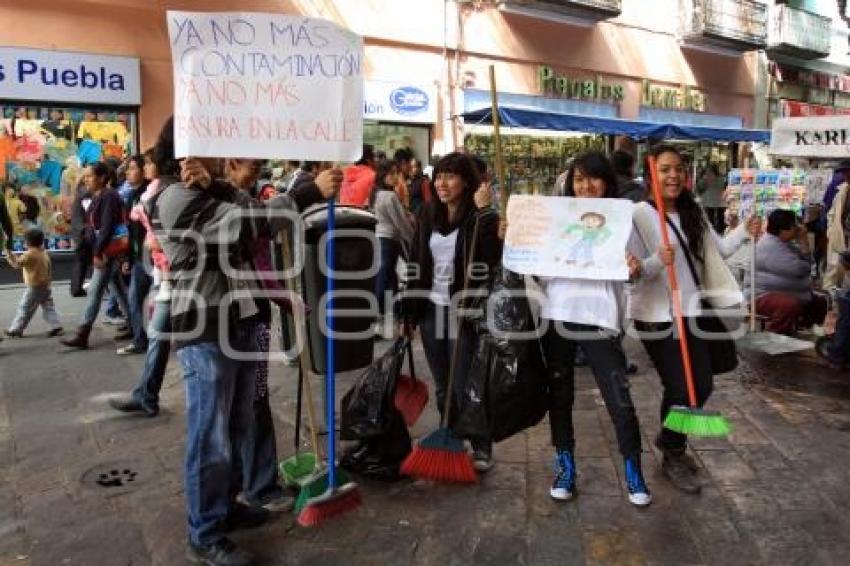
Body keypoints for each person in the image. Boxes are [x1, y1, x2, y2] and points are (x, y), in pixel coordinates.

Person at [156, 153, 341, 565]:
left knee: (239, 422)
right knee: (211, 437)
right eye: (211, 148)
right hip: (205, 324)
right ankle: (204, 533)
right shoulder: (173, 197)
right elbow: (246, 223)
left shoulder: (212, 192)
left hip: (240, 317)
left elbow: (246, 213)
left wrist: (217, 186)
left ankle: (227, 507)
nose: (220, 157)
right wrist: (307, 193)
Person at [629, 144, 758, 495]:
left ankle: (669, 433)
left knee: (702, 385)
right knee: (681, 387)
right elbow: (632, 273)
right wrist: (657, 261)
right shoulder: (638, 214)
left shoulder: (694, 210)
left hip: (693, 310)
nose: (673, 175)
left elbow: (723, 249)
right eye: (665, 169)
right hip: (656, 315)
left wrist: (746, 229)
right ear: (650, 173)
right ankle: (674, 453)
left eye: (678, 169)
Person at [536, 152, 650, 506]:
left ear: (607, 182)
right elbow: (539, 271)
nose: (585, 186)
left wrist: (635, 267)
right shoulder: (556, 220)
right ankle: (565, 467)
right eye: (579, 179)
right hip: (557, 315)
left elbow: (637, 271)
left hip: (600, 319)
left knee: (619, 398)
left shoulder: (624, 220)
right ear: (570, 183)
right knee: (560, 396)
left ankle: (634, 472)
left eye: (593, 178)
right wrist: (521, 239)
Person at [402, 152, 502, 472]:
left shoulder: (478, 217)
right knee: (443, 384)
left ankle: (482, 444)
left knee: (464, 384)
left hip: (463, 311)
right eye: (439, 176)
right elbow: (416, 263)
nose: (442, 183)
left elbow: (491, 259)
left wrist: (487, 212)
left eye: (450, 176)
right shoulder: (428, 213)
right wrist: (409, 311)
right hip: (432, 309)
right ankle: (454, 439)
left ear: (467, 181)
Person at [108, 121, 179, 417]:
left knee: (165, 334)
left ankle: (147, 394)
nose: (144, 167)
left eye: (148, 162)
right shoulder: (156, 190)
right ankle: (147, 394)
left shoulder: (164, 190)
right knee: (160, 333)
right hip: (166, 275)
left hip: (178, 275)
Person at [60, 162, 131, 349]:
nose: (86, 179)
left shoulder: (109, 196)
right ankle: (135, 325)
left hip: (107, 251)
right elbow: (93, 226)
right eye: (85, 176)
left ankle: (83, 333)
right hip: (103, 250)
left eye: (89, 176)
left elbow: (106, 227)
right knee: (118, 290)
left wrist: (98, 253)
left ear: (101, 178)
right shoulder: (97, 196)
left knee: (95, 291)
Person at [751, 209, 828, 336]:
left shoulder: (784, 243)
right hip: (761, 295)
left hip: (785, 291)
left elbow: (807, 264)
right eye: (794, 226)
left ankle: (801, 331)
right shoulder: (769, 247)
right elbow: (802, 269)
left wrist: (803, 243)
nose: (798, 229)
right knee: (788, 305)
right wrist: (803, 241)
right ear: (783, 230)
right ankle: (773, 336)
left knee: (819, 302)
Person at [371, 159, 415, 338]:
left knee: (390, 280)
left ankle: (394, 319)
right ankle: (381, 318)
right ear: (383, 175)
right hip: (390, 240)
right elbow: (401, 223)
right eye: (392, 173)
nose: (396, 176)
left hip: (380, 238)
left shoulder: (375, 193)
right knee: (386, 280)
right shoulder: (389, 196)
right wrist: (413, 238)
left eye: (396, 172)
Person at [117, 154, 151, 355]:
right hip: (139, 257)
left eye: (132, 168)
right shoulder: (131, 196)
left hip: (154, 257)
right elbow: (130, 230)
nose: (128, 172)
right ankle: (140, 340)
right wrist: (127, 258)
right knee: (135, 299)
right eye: (127, 168)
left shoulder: (151, 192)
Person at [4, 228, 63, 338]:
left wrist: (9, 254)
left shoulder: (29, 254)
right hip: (46, 285)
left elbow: (17, 264)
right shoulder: (43, 253)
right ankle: (56, 326)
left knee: (25, 307)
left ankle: (16, 329)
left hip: (34, 287)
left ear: (27, 242)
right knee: (48, 306)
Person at [69, 180, 93, 297]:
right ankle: (77, 288)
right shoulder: (85, 196)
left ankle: (76, 288)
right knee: (82, 262)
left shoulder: (79, 195)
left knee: (80, 261)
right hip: (83, 232)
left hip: (79, 232)